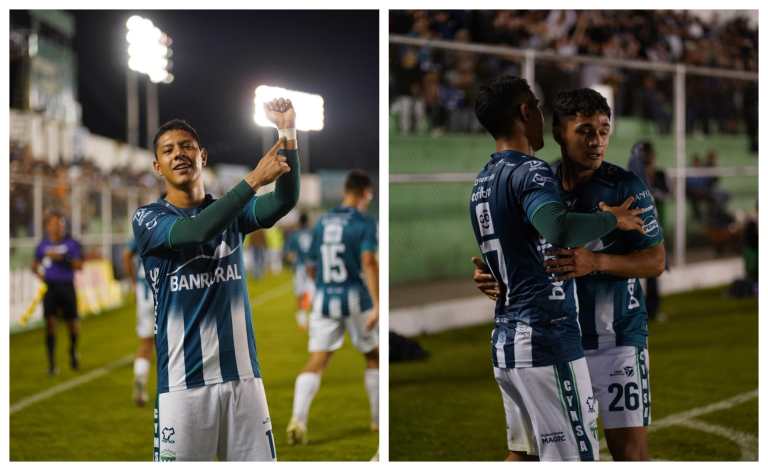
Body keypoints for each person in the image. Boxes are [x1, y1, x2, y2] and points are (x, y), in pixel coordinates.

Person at [473, 88, 665, 461]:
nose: (597, 142)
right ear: (560, 131)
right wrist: (497, 276)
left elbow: (656, 261)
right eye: (586, 131)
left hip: (616, 339)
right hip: (558, 340)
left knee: (630, 454)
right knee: (536, 453)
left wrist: (598, 263)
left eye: (604, 131)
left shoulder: (625, 187)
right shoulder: (540, 180)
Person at [132, 98, 299, 461]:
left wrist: (287, 133)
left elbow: (284, 201)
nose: (179, 154)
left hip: (244, 381)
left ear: (202, 157)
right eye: (168, 150)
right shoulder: (148, 218)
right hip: (182, 387)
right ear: (157, 165)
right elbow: (195, 231)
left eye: (187, 146)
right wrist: (253, 180)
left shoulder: (232, 212)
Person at [287, 170, 379, 445]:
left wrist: (323, 288)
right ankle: (377, 420)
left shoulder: (323, 220)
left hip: (324, 299)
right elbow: (368, 262)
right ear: (366, 193)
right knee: (374, 356)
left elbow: (312, 266)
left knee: (318, 359)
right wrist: (377, 303)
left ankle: (298, 419)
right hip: (355, 298)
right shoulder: (364, 221)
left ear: (344, 192)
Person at [32, 210, 84, 376]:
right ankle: (52, 364)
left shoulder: (71, 243)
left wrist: (63, 258)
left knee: (72, 325)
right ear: (48, 226)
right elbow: (34, 265)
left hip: (67, 287)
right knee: (50, 324)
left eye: (60, 224)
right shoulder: (42, 245)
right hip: (51, 288)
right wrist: (40, 274)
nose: (57, 227)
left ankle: (73, 351)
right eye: (54, 224)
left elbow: (79, 266)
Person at [123, 239, 154, 406]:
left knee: (145, 343)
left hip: (145, 293)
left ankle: (141, 378)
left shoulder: (145, 225)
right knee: (173, 345)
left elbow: (126, 255)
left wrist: (134, 284)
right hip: (167, 292)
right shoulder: (174, 222)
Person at [284, 212, 314, 330]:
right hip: (312, 267)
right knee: (310, 292)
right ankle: (308, 317)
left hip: (300, 267)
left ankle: (302, 316)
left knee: (300, 292)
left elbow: (289, 254)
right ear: (307, 221)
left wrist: (294, 262)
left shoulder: (294, 235)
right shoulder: (313, 233)